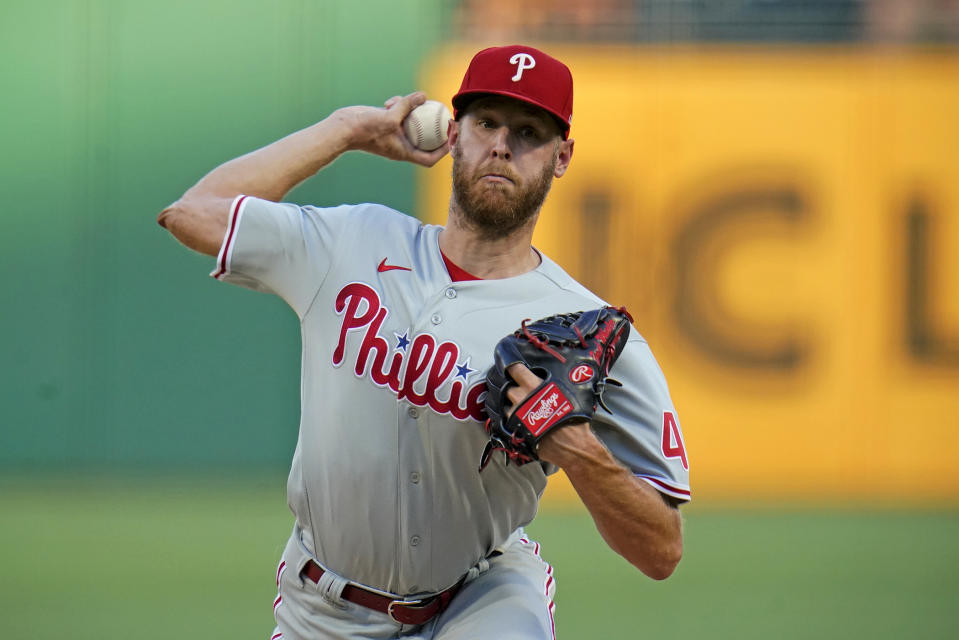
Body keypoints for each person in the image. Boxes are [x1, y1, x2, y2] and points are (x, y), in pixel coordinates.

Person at [158, 44, 690, 640]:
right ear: (454, 132)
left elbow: (661, 552)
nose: (502, 144)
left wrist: (579, 452)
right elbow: (191, 213)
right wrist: (346, 130)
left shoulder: (589, 330)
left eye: (529, 132)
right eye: (486, 122)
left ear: (562, 156)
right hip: (321, 610)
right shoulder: (353, 242)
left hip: (481, 598)